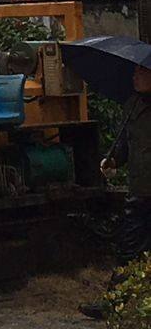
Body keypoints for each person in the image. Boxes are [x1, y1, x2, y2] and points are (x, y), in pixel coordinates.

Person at [80, 62, 151, 320]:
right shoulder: (132, 105)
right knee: (128, 249)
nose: (135, 76)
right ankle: (115, 301)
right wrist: (112, 160)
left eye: (141, 72)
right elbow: (125, 143)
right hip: (140, 191)